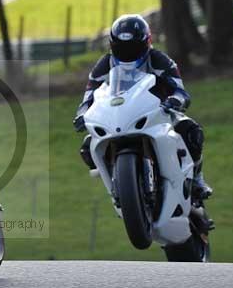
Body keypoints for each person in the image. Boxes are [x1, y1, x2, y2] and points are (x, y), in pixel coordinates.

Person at [73, 14, 213, 200]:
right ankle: (117, 182)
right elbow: (88, 96)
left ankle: (197, 179)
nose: (128, 53)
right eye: (122, 48)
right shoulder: (104, 64)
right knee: (87, 147)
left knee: (191, 130)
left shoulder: (159, 60)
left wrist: (176, 100)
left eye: (133, 47)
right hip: (117, 115)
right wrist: (82, 114)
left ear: (147, 42)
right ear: (112, 45)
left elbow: (180, 91)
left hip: (159, 113)